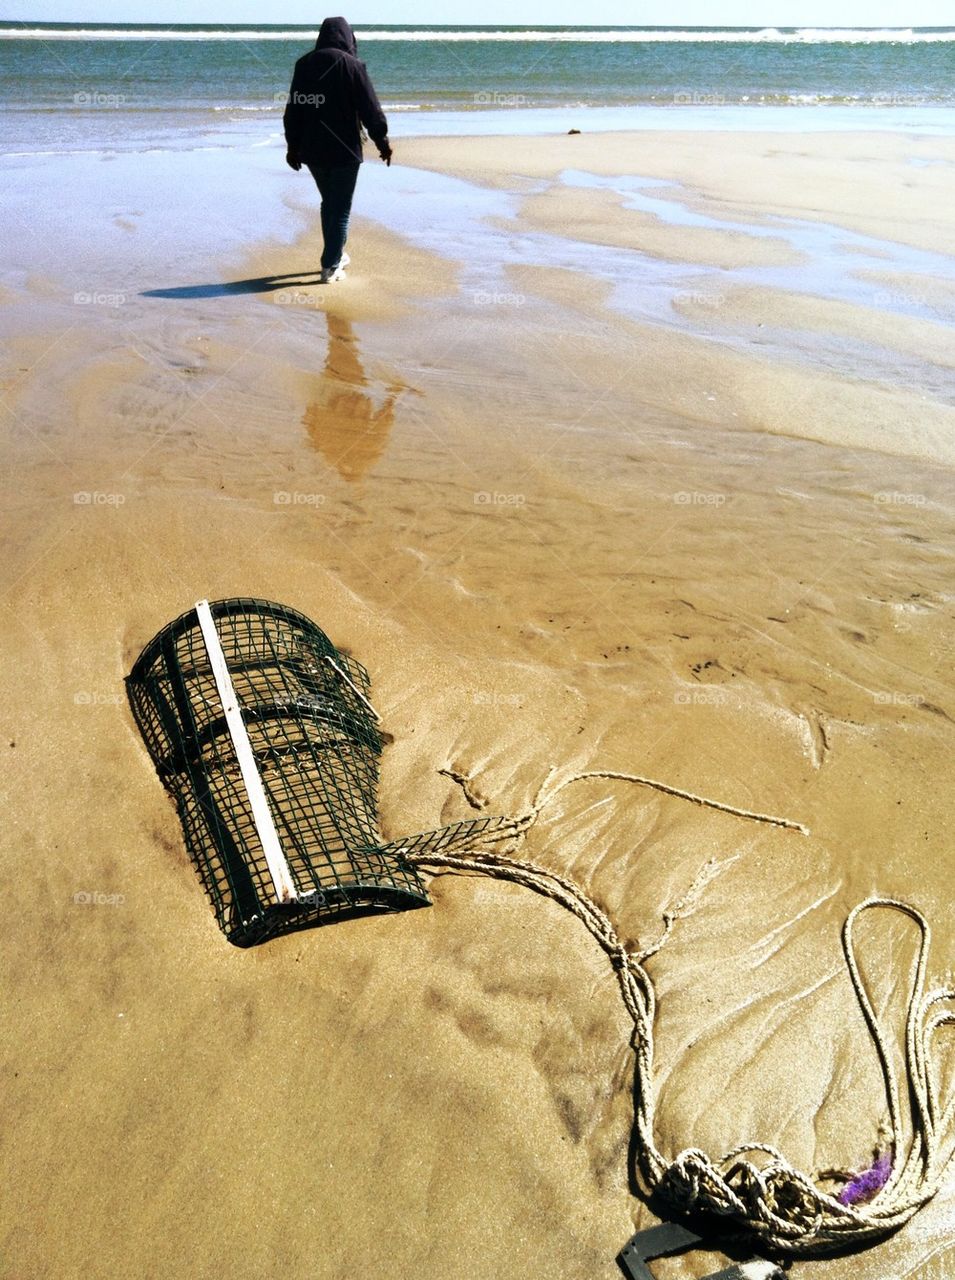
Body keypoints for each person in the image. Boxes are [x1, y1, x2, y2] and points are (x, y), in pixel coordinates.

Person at [283, 16, 392, 284]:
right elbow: (371, 109)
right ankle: (330, 265)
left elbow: (293, 111)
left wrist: (292, 147)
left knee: (329, 203)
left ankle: (336, 253)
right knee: (340, 207)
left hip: (312, 149)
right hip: (346, 150)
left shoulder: (304, 64)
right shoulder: (353, 66)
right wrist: (382, 141)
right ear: (348, 38)